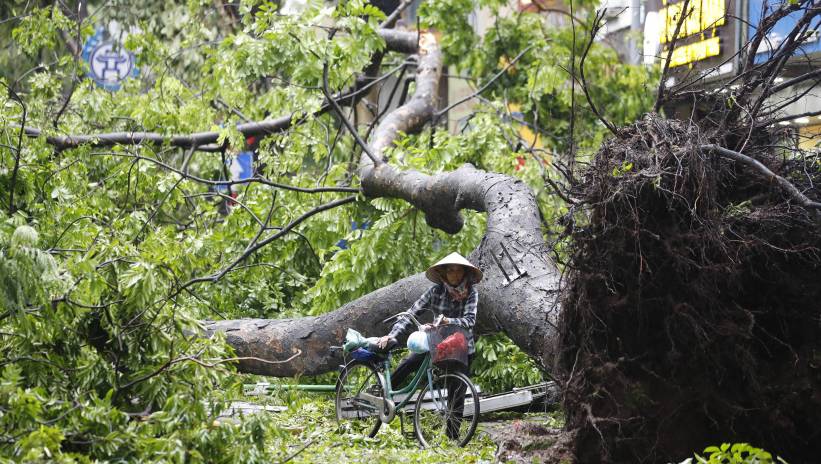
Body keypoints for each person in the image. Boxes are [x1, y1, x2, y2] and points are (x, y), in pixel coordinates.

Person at [377, 252, 483, 439]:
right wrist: (391, 335)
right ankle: (381, 395)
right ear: (444, 273)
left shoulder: (471, 293)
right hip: (436, 341)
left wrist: (449, 321)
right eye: (451, 271)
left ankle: (453, 437)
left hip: (460, 345)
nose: (455, 275)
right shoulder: (435, 291)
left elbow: (469, 321)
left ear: (465, 273)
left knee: (456, 389)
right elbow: (412, 312)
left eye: (459, 271)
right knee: (410, 362)